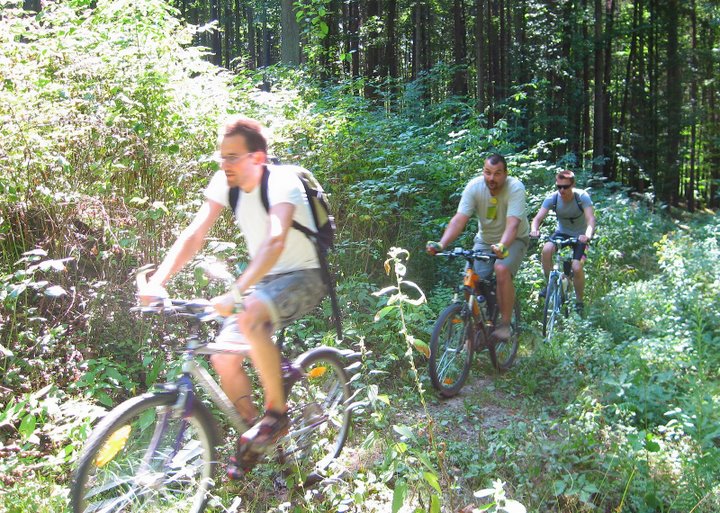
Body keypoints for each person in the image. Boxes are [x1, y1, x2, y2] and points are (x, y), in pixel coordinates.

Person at [137, 116, 327, 474]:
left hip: (304, 276)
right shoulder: (227, 181)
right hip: (263, 282)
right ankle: (256, 438)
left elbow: (275, 240)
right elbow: (194, 235)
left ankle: (276, 417)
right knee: (223, 358)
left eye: (233, 157)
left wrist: (237, 292)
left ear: (257, 158)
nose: (225, 165)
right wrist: (157, 282)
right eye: (221, 157)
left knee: (250, 313)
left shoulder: (282, 182)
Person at [426, 153, 530, 340]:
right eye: (487, 172)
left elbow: (513, 224)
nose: (491, 178)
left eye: (497, 173)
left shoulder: (515, 188)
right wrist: (441, 243)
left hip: (514, 239)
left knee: (501, 268)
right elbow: (459, 219)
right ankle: (477, 328)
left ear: (506, 174)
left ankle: (505, 325)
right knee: (469, 281)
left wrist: (502, 246)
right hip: (485, 240)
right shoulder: (474, 187)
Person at [530, 169, 596, 313]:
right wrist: (534, 229)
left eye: (565, 187)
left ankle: (579, 301)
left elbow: (590, 219)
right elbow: (537, 218)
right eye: (558, 186)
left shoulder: (582, 197)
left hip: (580, 235)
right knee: (546, 250)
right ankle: (551, 284)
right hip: (562, 232)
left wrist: (587, 235)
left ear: (572, 185)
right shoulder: (552, 198)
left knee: (577, 267)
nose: (561, 190)